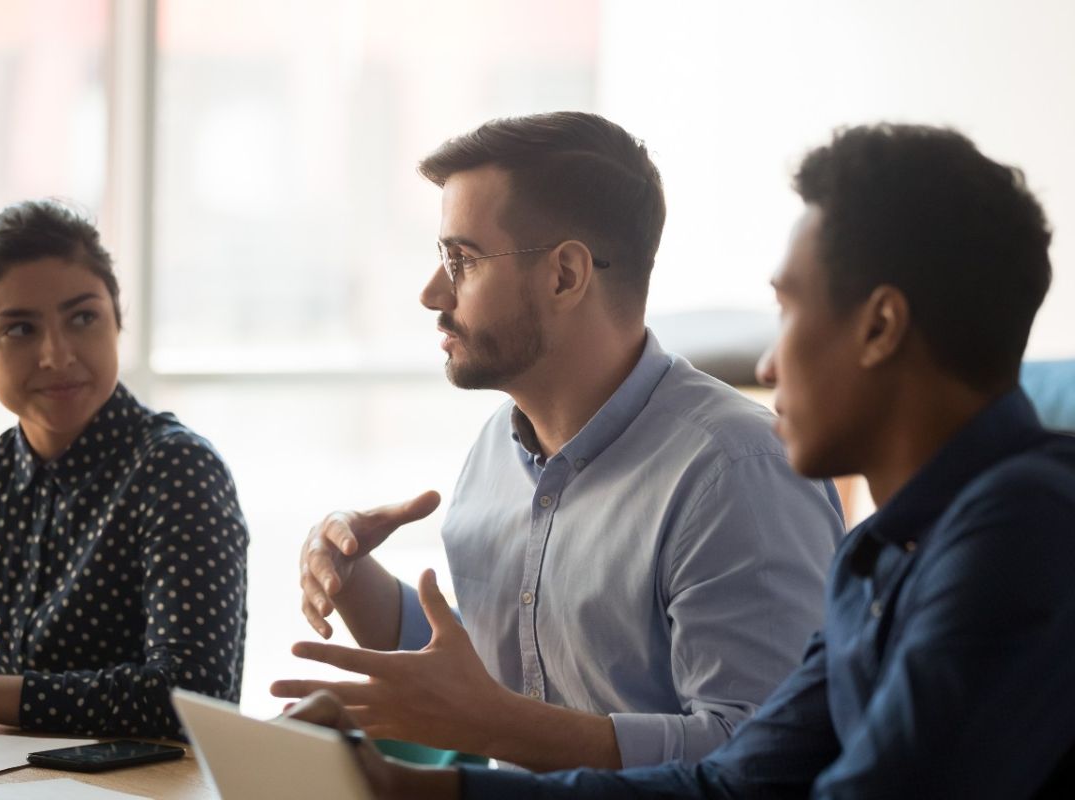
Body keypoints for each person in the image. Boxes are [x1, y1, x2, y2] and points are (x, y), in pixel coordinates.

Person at [288, 122, 1075, 798]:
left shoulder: (1026, 534)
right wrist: (409, 786)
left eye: (788, 309)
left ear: (879, 329)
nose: (768, 365)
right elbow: (735, 784)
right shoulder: (882, 558)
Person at [273, 112, 844, 771]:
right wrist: (351, 578)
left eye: (461, 260)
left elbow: (761, 759)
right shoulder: (495, 449)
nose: (433, 294)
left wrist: (500, 728)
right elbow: (503, 667)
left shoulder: (736, 471)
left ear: (567, 275)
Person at [0, 200, 249, 738]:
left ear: (117, 316)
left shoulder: (178, 471)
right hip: (0, 781)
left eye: (83, 318)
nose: (58, 355)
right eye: (20, 330)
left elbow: (191, 695)